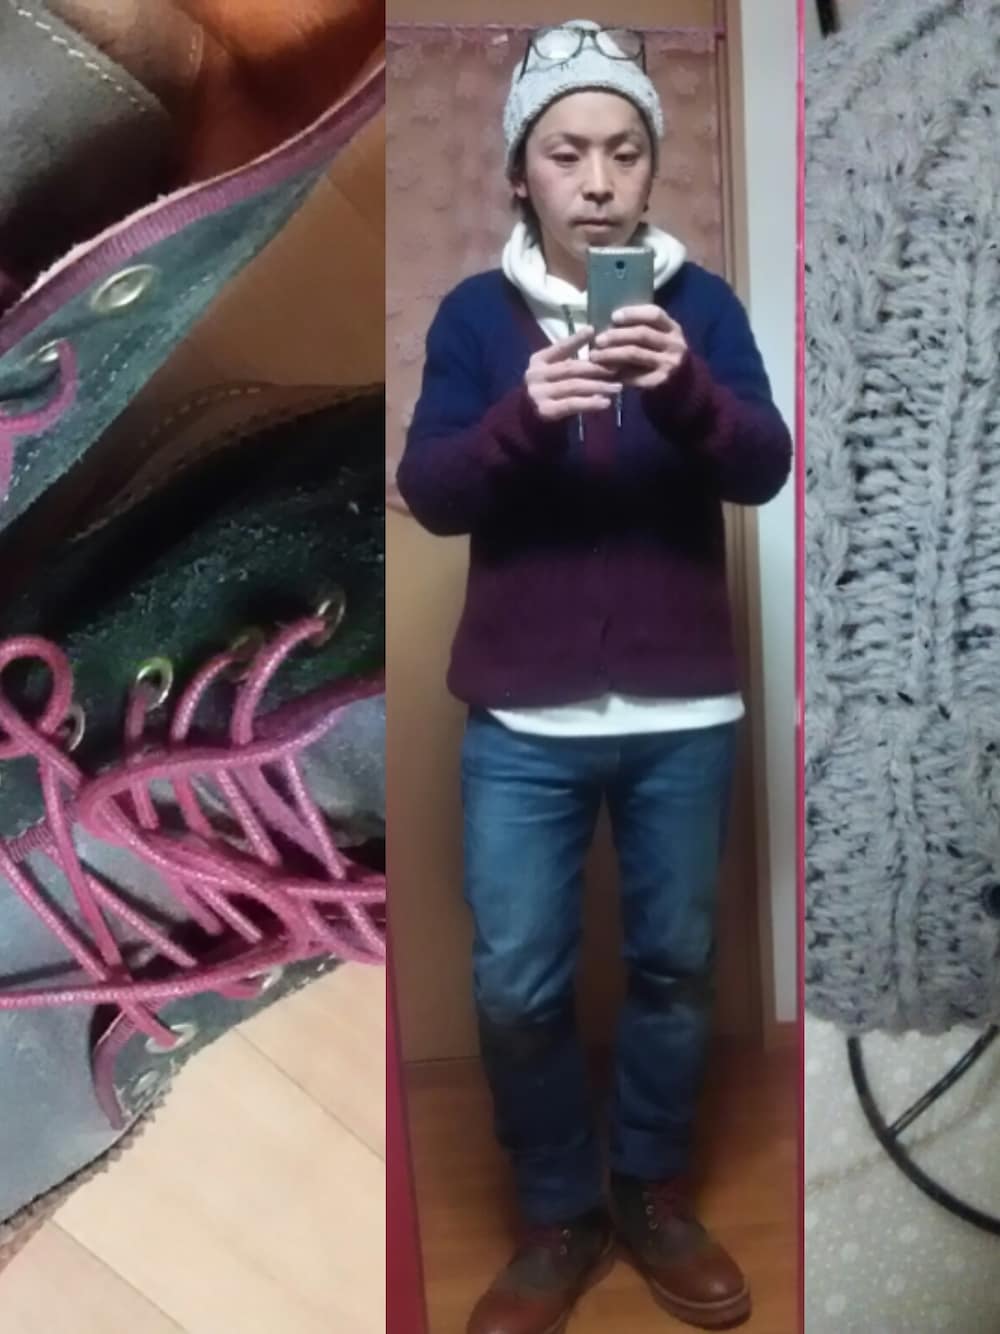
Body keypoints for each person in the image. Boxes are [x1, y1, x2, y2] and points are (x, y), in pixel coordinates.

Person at [397, 20, 792, 1334]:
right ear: (522, 170)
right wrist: (525, 414)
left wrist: (684, 392)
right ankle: (560, 1209)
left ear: (650, 166)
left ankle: (650, 1188)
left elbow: (762, 467)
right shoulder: (473, 317)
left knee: (676, 964)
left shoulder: (702, 308)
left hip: (687, 711)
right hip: (523, 717)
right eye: (567, 152)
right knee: (516, 980)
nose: (600, 179)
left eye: (625, 150)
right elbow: (431, 490)